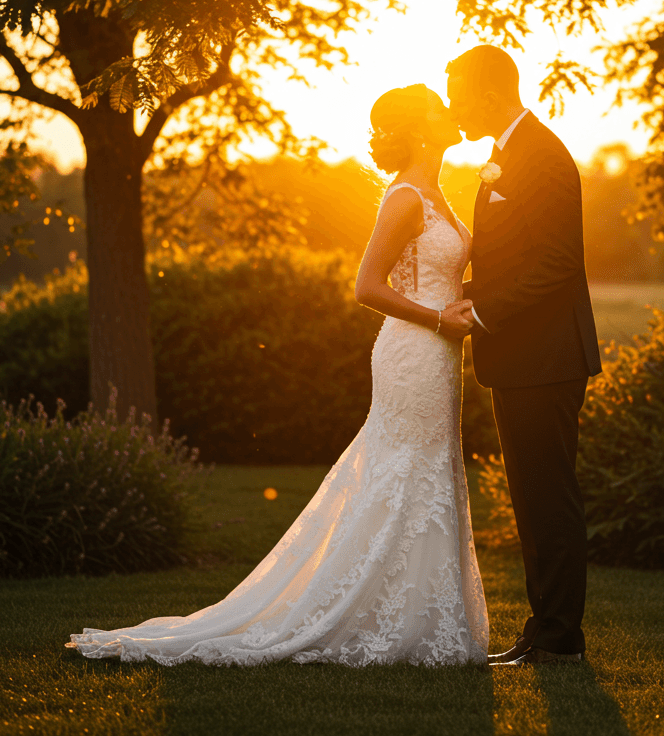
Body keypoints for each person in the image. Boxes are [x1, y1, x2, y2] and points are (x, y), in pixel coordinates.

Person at [66, 84, 488, 667]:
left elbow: (437, 276)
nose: (450, 112)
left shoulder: (441, 194)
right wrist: (440, 317)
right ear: (418, 128)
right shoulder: (406, 197)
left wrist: (464, 303)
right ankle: (373, 617)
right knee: (402, 472)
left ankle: (420, 615)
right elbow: (367, 287)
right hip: (413, 354)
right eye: (439, 109)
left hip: (442, 356)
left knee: (428, 473)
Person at [446, 45, 601, 666]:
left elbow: (558, 263)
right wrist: (454, 296)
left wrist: (482, 313)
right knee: (531, 498)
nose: (455, 106)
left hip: (546, 358)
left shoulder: (542, 154)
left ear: (488, 94)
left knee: (548, 497)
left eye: (458, 92)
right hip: (522, 358)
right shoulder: (507, 154)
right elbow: (512, 258)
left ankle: (561, 637)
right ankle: (544, 630)